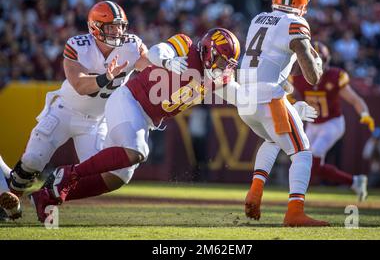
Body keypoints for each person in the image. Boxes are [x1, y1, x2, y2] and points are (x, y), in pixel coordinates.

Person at [29, 28, 243, 223]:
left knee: (117, 178)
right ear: (208, 51)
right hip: (129, 100)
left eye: (227, 65)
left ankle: (48, 195)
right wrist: (168, 62)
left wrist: (266, 101)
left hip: (145, 119)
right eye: (222, 62)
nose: (223, 68)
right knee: (137, 151)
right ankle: (67, 174)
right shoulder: (186, 46)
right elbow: (156, 52)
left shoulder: (218, 78)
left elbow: (239, 95)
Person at [5, 0, 149, 219]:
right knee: (33, 159)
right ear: (95, 27)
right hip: (65, 111)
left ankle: (48, 193)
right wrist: (106, 77)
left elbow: (149, 68)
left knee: (100, 172)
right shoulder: (78, 44)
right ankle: (10, 203)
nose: (117, 31)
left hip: (96, 121)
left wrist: (166, 62)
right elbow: (80, 84)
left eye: (120, 26)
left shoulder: (132, 45)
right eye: (111, 26)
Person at [239, 0, 329, 226]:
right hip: (268, 96)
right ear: (302, 2)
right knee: (302, 151)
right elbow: (312, 77)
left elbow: (274, 62)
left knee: (272, 139)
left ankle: (255, 192)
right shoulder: (295, 22)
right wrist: (317, 63)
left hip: (244, 98)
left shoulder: (258, 19)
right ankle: (295, 212)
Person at [291, 42, 374, 201]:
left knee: (313, 156)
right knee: (307, 162)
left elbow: (355, 99)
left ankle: (297, 196)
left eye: (317, 59)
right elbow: (288, 94)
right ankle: (354, 181)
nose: (313, 63)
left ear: (325, 60)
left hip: (332, 123)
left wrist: (365, 114)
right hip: (312, 124)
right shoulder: (298, 78)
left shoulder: (335, 76)